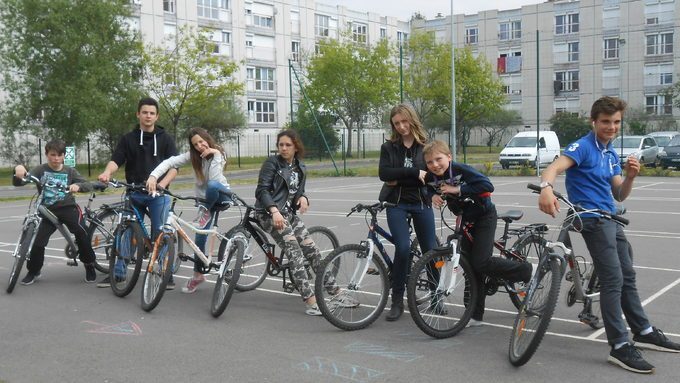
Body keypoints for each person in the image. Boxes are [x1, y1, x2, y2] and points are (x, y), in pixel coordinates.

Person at [538, 96, 680, 374]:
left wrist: (630, 177)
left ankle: (644, 330)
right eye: (606, 122)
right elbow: (554, 168)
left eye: (616, 122)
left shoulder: (610, 152)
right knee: (614, 278)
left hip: (611, 218)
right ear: (594, 121)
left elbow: (618, 193)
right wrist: (545, 188)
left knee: (627, 275)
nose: (611, 127)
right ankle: (619, 346)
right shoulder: (583, 146)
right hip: (592, 220)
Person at [423, 140, 532, 326]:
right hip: (465, 218)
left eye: (438, 159)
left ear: (449, 157)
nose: (434, 165)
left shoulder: (461, 169)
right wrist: (431, 195)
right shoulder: (430, 177)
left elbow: (487, 185)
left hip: (484, 216)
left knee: (481, 262)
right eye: (430, 162)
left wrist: (458, 189)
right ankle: (475, 314)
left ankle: (526, 270)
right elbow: (424, 188)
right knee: (470, 267)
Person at [96, 97, 178, 288]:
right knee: (127, 232)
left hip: (158, 194)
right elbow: (116, 159)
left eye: (151, 113)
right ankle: (119, 273)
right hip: (135, 192)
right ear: (138, 114)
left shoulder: (165, 139)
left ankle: (166, 273)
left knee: (161, 233)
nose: (148, 116)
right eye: (144, 112)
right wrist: (107, 172)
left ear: (156, 116)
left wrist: (163, 184)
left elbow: (174, 167)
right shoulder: (128, 139)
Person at [147, 127, 231, 294]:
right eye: (195, 144)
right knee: (199, 238)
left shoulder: (219, 153)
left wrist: (214, 154)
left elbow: (213, 180)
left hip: (221, 196)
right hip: (204, 201)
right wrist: (153, 176)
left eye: (201, 141)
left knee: (213, 185)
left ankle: (206, 211)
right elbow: (170, 162)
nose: (200, 146)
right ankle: (198, 275)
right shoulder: (193, 157)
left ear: (207, 138)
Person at [378, 103, 438, 321]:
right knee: (402, 248)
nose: (402, 127)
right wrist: (414, 172)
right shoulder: (389, 147)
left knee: (431, 250)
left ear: (412, 119)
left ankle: (436, 295)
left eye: (404, 121)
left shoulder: (426, 146)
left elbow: (432, 175)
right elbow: (384, 174)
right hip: (396, 204)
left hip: (422, 203)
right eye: (397, 123)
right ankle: (396, 301)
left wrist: (399, 177)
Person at [254, 129, 323, 316]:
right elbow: (262, 191)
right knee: (296, 253)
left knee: (313, 250)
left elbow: (295, 192)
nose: (283, 148)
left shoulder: (300, 167)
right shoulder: (272, 163)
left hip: (288, 214)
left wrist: (304, 197)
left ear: (296, 147)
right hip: (269, 214)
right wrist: (274, 210)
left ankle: (334, 291)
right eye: (281, 145)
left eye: (288, 145)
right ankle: (311, 302)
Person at [13, 140, 97, 284]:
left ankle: (89, 264)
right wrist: (18, 171)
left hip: (68, 208)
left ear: (64, 156)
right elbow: (20, 182)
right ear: (46, 155)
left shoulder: (70, 171)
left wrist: (77, 185)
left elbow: (87, 184)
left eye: (59, 155)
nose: (56, 158)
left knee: (82, 232)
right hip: (46, 210)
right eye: (53, 155)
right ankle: (33, 271)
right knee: (37, 240)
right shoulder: (40, 170)